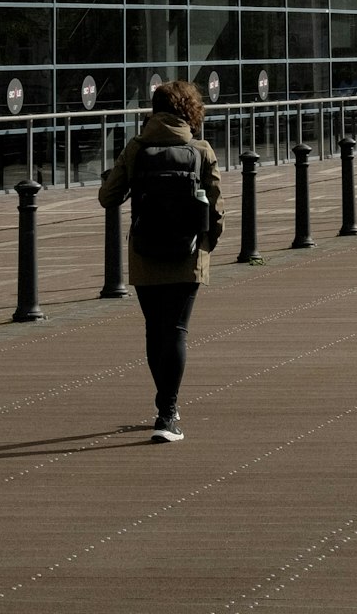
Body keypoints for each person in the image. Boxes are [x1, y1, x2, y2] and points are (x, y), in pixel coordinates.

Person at [100, 80, 224, 443]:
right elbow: (217, 208)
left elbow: (108, 197)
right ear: (191, 111)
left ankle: (164, 407)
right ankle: (168, 412)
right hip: (187, 256)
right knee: (177, 332)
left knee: (156, 331)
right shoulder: (201, 149)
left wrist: (118, 178)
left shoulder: (137, 148)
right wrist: (206, 246)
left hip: (146, 253)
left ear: (153, 110)